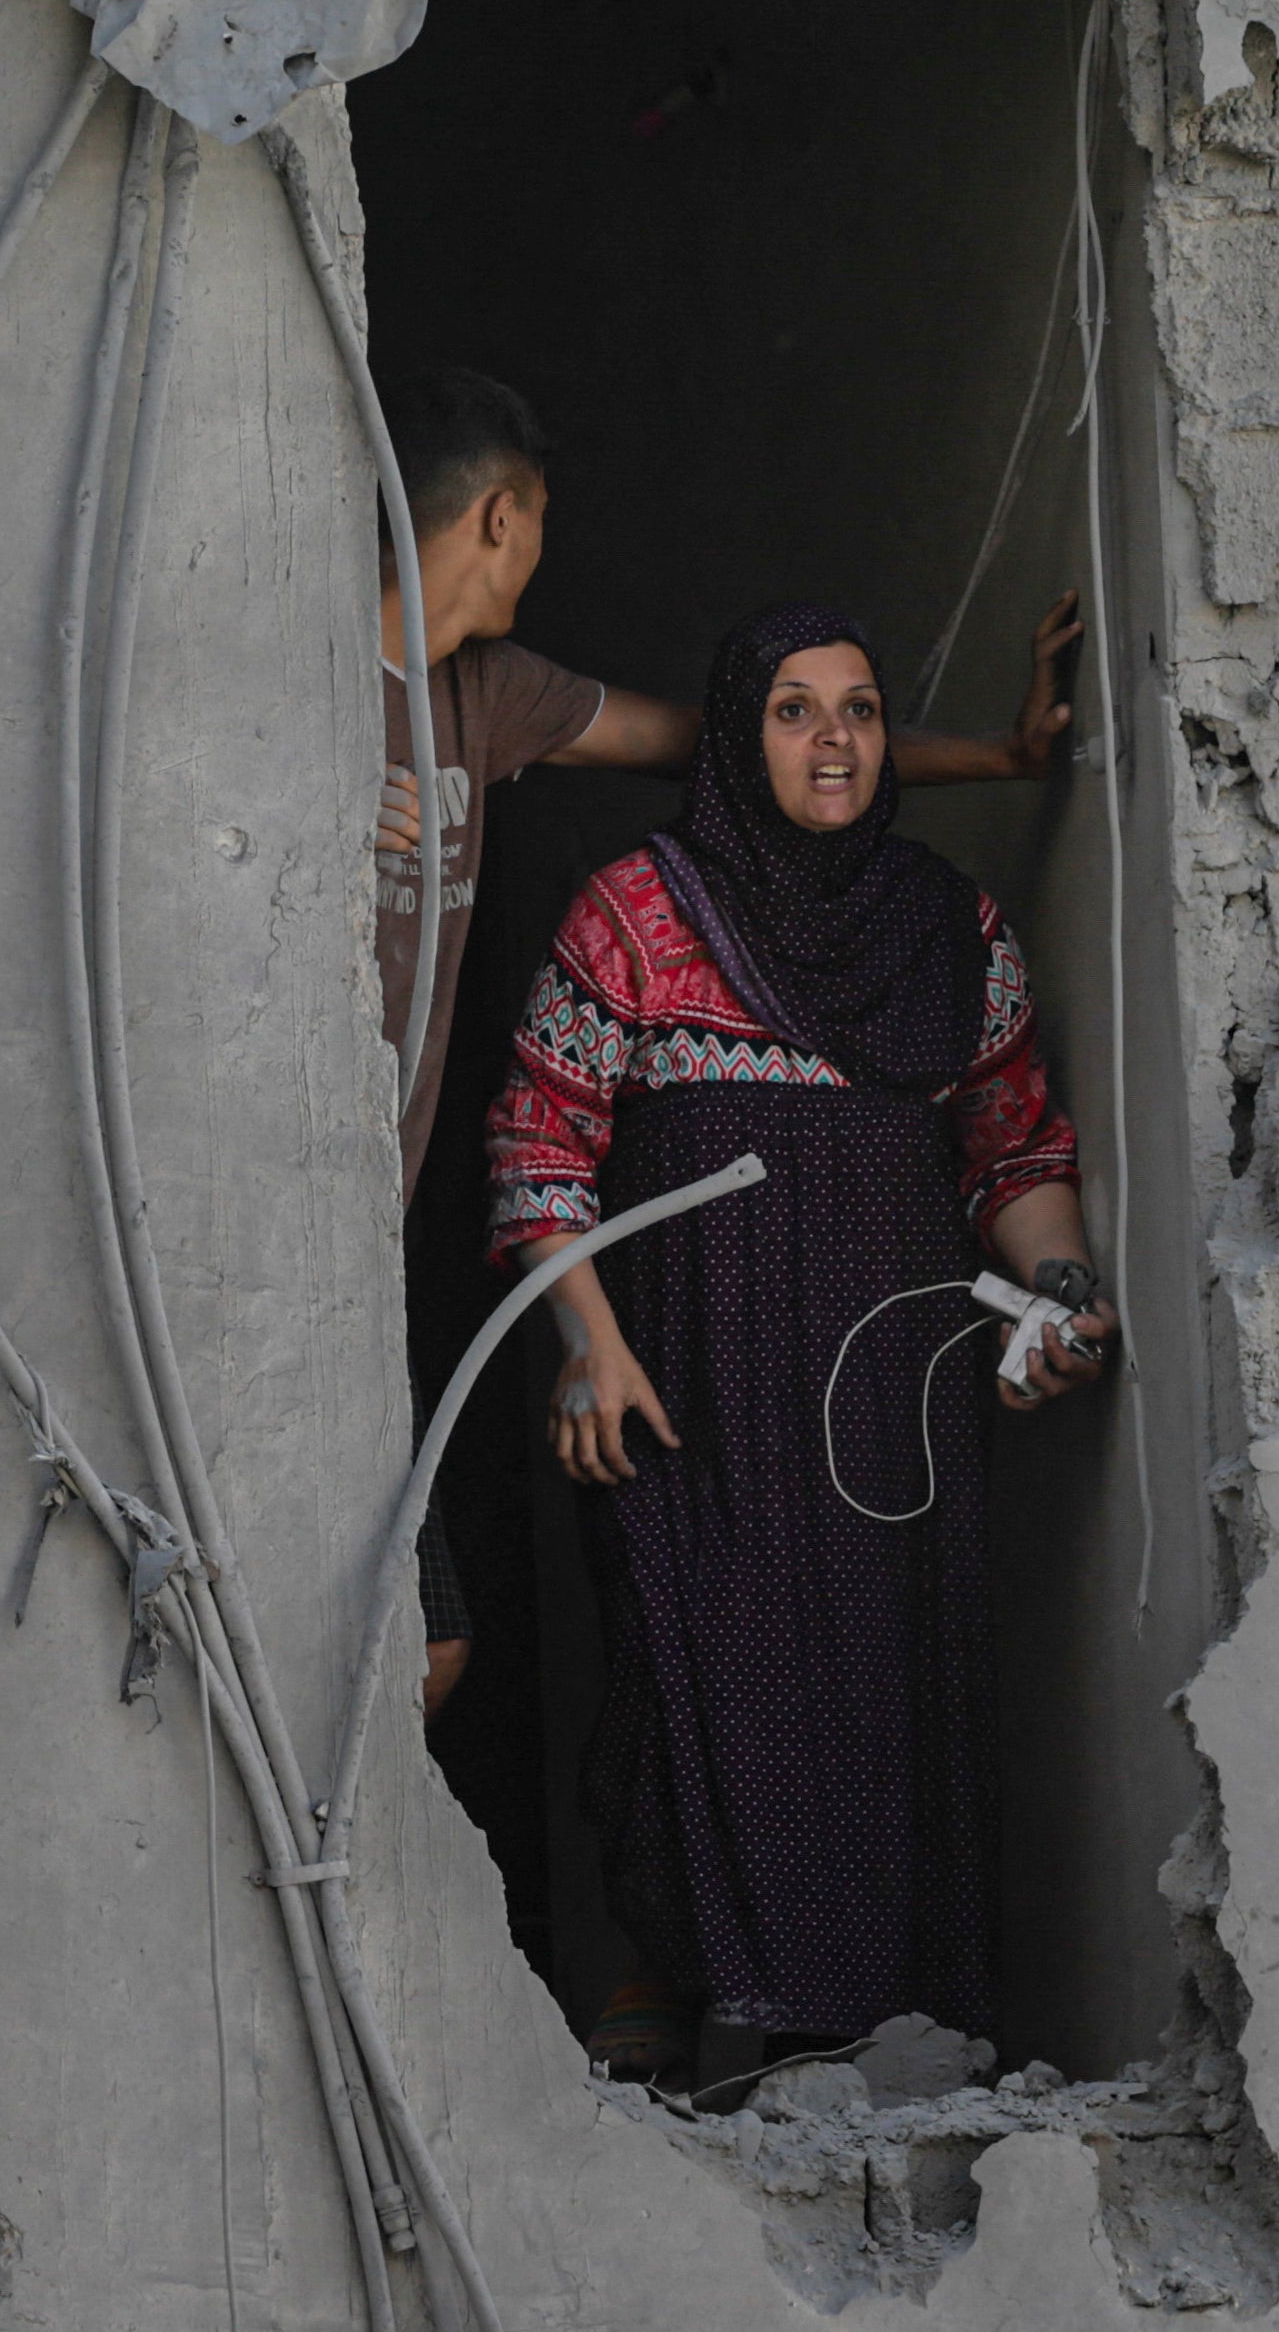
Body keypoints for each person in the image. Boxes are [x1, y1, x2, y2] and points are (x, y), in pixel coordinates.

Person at [370, 369, 1077, 1716]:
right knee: (415, 1643)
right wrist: (309, 796)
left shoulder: (492, 694)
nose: (830, 738)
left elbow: (722, 745)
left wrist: (1000, 759)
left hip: (389, 1228)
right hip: (280, 1241)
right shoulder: (283, 693)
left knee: (422, 1641)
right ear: (506, 519)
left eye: (853, 710)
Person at [478, 602, 1113, 2081]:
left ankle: (865, 2036)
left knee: (890, 1691)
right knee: (690, 1675)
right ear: (733, 733)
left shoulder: (953, 936)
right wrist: (589, 1343)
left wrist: (1066, 1285)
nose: (834, 740)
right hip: (681, 1388)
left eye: (862, 710)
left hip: (889, 1401)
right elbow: (539, 1144)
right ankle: (689, 1992)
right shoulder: (639, 911)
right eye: (794, 710)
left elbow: (1013, 1150)